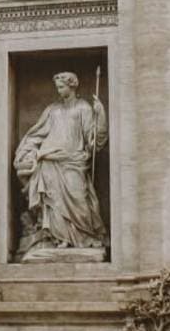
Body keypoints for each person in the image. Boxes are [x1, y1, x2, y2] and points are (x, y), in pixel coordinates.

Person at [14, 72, 107, 253]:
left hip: (74, 160)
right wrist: (27, 151)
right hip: (50, 160)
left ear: (72, 86)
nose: (59, 90)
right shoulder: (52, 110)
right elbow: (37, 134)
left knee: (79, 198)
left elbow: (93, 140)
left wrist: (100, 116)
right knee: (53, 201)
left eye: (61, 86)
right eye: (57, 87)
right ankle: (60, 239)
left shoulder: (84, 108)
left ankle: (85, 237)